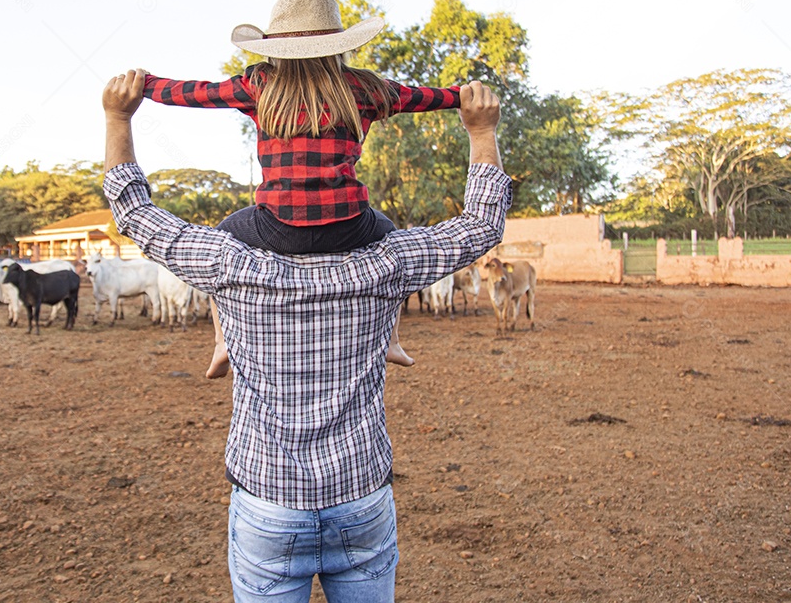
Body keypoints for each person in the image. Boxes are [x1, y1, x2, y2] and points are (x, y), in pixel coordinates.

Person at [103, 67, 511, 602]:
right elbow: (482, 223)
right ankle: (387, 335)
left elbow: (134, 214)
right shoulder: (386, 262)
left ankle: (226, 340)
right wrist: (481, 131)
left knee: (233, 228)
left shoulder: (229, 261)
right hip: (360, 498)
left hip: (268, 505)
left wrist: (118, 117)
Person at [140, 0, 464, 378]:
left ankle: (222, 342)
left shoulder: (259, 85)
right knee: (389, 234)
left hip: (276, 227)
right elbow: (426, 97)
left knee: (224, 238)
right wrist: (465, 95)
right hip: (350, 227)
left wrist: (144, 84)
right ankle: (392, 338)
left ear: (274, 50)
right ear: (340, 45)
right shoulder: (363, 88)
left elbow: (194, 93)